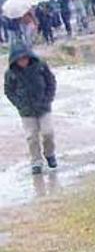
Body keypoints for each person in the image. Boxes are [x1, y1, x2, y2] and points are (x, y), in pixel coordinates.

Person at [4, 43, 58, 175]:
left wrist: (48, 99)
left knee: (48, 133)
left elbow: (51, 82)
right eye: (20, 59)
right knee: (31, 137)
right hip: (26, 111)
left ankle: (49, 154)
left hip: (43, 107)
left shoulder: (40, 66)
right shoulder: (11, 73)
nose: (23, 61)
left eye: (25, 58)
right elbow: (8, 91)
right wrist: (19, 104)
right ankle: (36, 161)